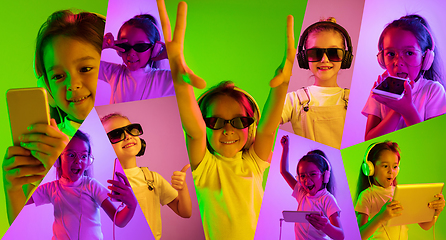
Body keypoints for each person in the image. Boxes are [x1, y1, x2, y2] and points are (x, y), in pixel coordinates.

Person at [156, 0, 295, 239]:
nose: (228, 130)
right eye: (217, 122)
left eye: (240, 121)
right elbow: (194, 131)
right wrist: (180, 84)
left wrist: (282, 84)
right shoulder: (204, 166)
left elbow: (268, 130)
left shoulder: (253, 162)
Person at [3, 10, 105, 224]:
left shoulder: (133, 130)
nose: (72, 85)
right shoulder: (48, 146)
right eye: (58, 76)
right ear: (46, 87)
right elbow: (28, 231)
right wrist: (12, 191)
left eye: (85, 68)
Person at [25, 130, 136, 239]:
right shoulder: (51, 188)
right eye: (71, 155)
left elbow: (119, 220)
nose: (78, 161)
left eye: (83, 156)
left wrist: (132, 205)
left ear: (88, 161)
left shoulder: (92, 186)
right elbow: (22, 199)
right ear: (58, 160)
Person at [101, 113, 192, 240]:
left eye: (131, 130)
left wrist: (182, 189)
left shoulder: (152, 178)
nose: (128, 136)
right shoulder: (101, 182)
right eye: (116, 134)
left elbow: (185, 212)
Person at [363, 15, 446, 140]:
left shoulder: (433, 91)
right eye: (391, 54)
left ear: (426, 57)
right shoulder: (379, 90)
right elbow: (369, 141)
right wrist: (396, 110)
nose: (398, 62)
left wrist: (407, 109)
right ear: (381, 58)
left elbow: (430, 143)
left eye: (409, 53)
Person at [281, 18, 353, 149]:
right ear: (304, 58)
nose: (324, 59)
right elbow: (264, 129)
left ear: (345, 57)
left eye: (333, 53)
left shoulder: (356, 101)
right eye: (315, 53)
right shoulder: (293, 100)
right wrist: (280, 85)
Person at [355, 141, 445, 239]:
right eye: (385, 166)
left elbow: (425, 225)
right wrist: (381, 217)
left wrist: (436, 212)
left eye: (395, 167)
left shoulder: (401, 193)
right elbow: (359, 236)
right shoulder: (366, 196)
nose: (391, 171)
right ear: (370, 168)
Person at [280, 135, 344, 240]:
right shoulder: (301, 193)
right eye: (303, 176)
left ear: (325, 176)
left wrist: (326, 226)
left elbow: (340, 236)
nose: (306, 180)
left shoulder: (327, 199)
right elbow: (284, 171)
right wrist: (285, 148)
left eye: (313, 174)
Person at [100, 14, 174, 103]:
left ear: (155, 49)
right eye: (125, 46)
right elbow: (80, 63)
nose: (131, 53)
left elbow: (189, 82)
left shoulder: (164, 79)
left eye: (140, 46)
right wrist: (99, 46)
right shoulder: (113, 73)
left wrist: (173, 57)